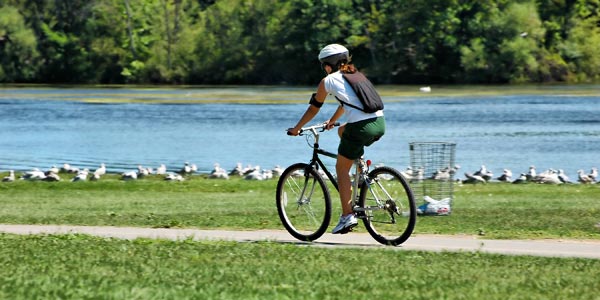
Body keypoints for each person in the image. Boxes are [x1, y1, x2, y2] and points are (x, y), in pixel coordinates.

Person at [287, 44, 385, 234]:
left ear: (327, 65)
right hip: (379, 123)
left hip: (360, 127)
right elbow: (347, 103)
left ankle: (347, 216)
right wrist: (332, 121)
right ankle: (362, 172)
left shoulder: (328, 81)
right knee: (342, 132)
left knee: (341, 168)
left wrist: (296, 129)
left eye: (324, 65)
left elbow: (314, 108)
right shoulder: (356, 75)